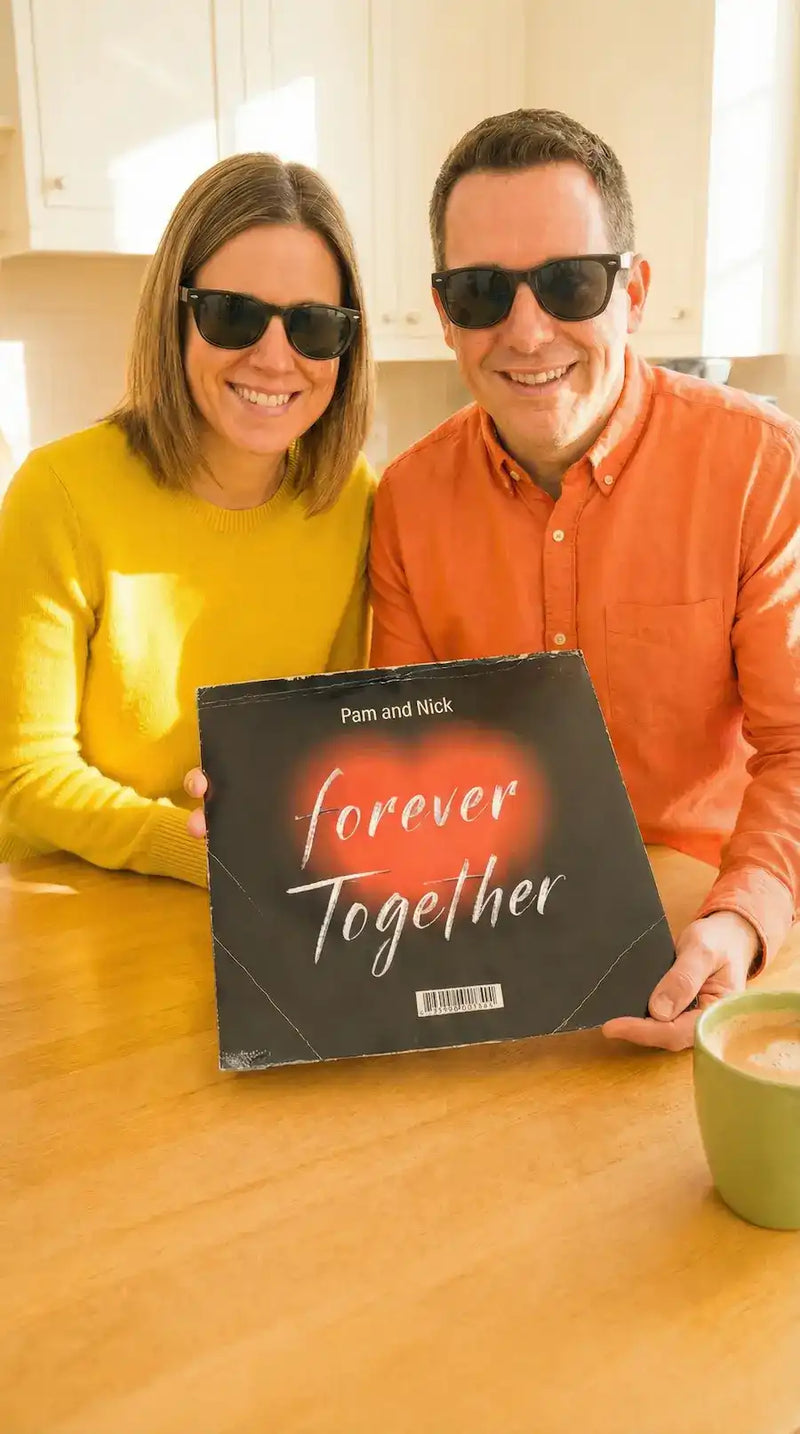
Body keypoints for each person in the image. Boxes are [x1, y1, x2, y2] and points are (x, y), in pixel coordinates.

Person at [368, 108, 800, 1053]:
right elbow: (405, 769)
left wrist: (739, 920)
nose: (527, 330)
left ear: (633, 291)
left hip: (711, 956)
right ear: (444, 313)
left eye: (569, 282)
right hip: (486, 968)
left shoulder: (761, 465)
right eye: (482, 291)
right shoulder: (404, 501)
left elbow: (797, 748)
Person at [0, 152, 375, 886]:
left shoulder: (351, 497)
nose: (275, 358)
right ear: (175, 315)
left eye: (315, 326)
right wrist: (195, 846)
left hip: (275, 900)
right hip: (81, 913)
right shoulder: (59, 492)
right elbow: (26, 775)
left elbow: (336, 735)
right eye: (234, 314)